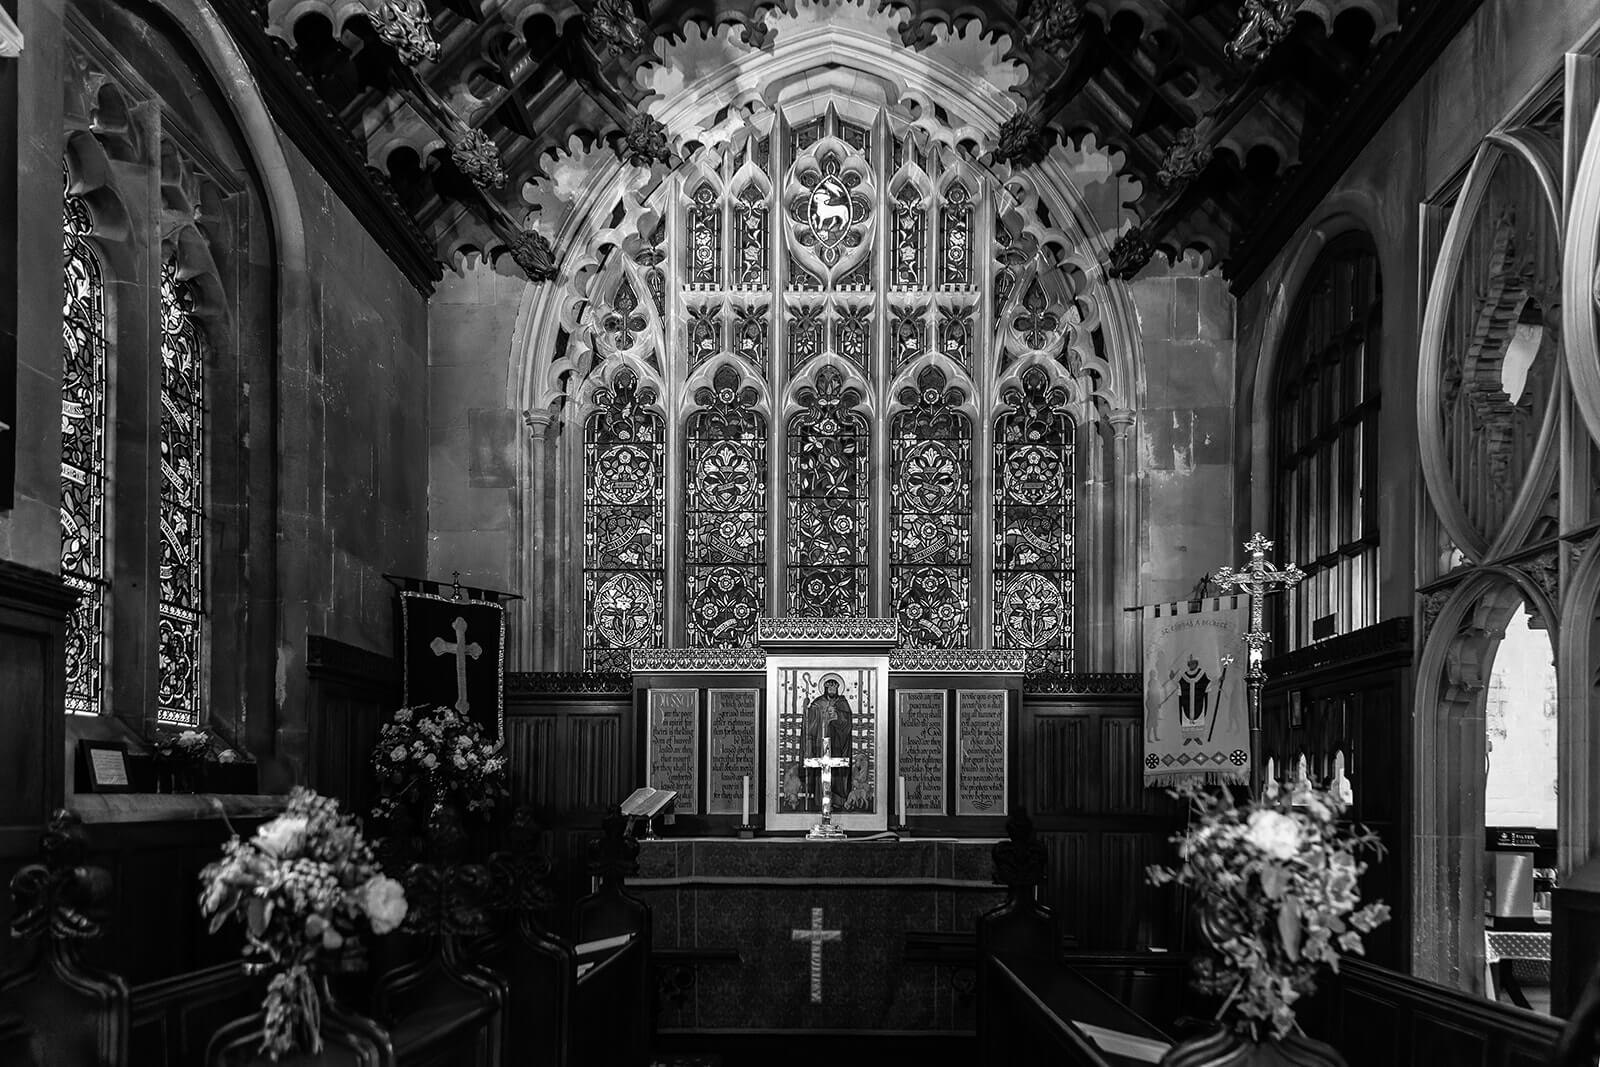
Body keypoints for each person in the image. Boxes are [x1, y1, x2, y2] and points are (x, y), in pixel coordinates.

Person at [803, 674, 853, 810]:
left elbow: (847, 724)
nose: (832, 689)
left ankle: (838, 799)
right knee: (822, 771)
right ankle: (821, 800)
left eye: (834, 687)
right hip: (821, 743)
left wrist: (837, 717)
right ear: (825, 688)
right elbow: (810, 725)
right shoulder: (818, 703)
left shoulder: (842, 703)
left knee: (837, 772)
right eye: (829, 687)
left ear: (838, 689)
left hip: (837, 744)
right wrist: (807, 711)